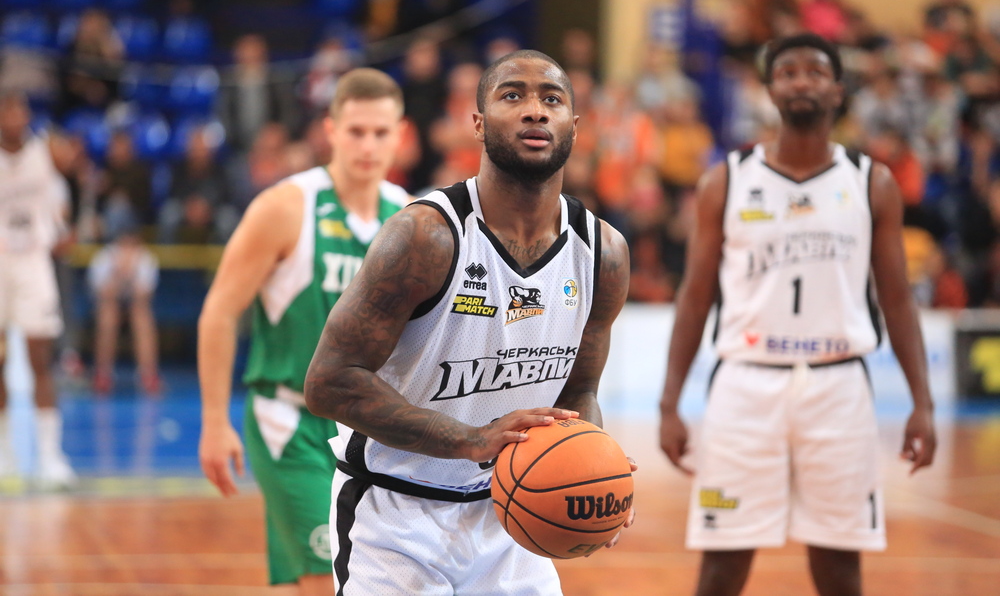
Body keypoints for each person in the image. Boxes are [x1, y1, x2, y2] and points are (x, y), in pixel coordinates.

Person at [304, 50, 635, 595]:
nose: (535, 110)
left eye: (551, 99)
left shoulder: (603, 254)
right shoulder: (425, 237)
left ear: (575, 127)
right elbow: (328, 383)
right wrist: (471, 439)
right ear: (477, 123)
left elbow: (580, 392)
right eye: (513, 95)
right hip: (396, 519)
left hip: (511, 518)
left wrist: (595, 470)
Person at [658, 33, 937, 596]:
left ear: (838, 89)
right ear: (769, 90)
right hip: (744, 388)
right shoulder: (727, 179)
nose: (801, 81)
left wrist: (922, 403)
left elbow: (897, 298)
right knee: (721, 564)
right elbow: (695, 296)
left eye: (815, 71)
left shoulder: (872, 182)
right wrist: (669, 404)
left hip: (839, 389)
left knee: (840, 567)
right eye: (787, 72)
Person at [198, 68, 410, 596]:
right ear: (330, 131)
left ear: (400, 135)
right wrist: (214, 422)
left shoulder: (409, 217)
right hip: (290, 421)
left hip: (365, 431)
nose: (368, 145)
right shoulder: (285, 207)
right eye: (355, 131)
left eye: (380, 132)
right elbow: (219, 312)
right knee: (329, 580)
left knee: (306, 583)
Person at [0, 91, 76, 488]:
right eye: (8, 110)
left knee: (39, 358)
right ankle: (5, 455)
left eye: (21, 109)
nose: (16, 117)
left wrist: (67, 226)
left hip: (33, 261)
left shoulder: (45, 149)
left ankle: (49, 457)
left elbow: (80, 172)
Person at [88, 222, 160, 395]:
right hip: (109, 303)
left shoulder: (145, 257)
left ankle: (148, 373)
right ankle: (103, 373)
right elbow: (104, 293)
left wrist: (131, 272)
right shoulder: (104, 257)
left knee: (141, 315)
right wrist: (119, 272)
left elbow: (143, 295)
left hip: (135, 304)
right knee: (108, 314)